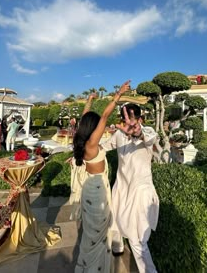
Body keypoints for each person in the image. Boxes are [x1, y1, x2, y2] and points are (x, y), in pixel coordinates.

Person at [71, 80, 130, 272]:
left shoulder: (82, 140)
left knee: (91, 233)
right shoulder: (91, 145)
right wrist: (118, 95)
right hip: (97, 192)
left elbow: (84, 118)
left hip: (91, 189)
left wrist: (89, 100)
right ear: (93, 128)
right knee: (98, 234)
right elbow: (105, 116)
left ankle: (88, 265)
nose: (99, 127)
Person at [101, 103, 159, 273]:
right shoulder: (119, 134)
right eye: (126, 120)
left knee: (137, 238)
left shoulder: (148, 132)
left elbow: (147, 138)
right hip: (122, 187)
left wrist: (138, 132)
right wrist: (80, 153)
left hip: (140, 190)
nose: (129, 125)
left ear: (140, 119)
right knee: (116, 222)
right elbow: (102, 148)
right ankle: (118, 249)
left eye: (133, 120)